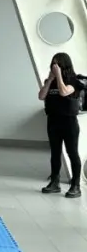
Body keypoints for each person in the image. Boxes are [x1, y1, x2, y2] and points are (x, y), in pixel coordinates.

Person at [40, 52, 84, 198]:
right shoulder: (50, 81)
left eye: (57, 64)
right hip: (53, 121)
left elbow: (64, 92)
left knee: (72, 153)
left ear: (63, 65)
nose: (54, 66)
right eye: (53, 64)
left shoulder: (74, 80)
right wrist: (50, 79)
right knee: (55, 152)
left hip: (69, 122)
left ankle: (75, 185)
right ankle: (54, 182)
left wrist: (58, 76)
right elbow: (41, 96)